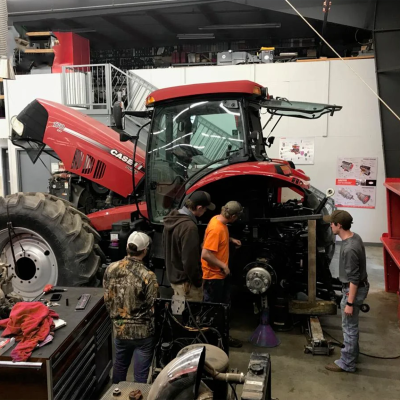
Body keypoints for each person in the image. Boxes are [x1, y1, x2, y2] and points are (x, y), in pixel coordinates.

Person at [103, 231, 158, 383]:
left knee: (120, 368)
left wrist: (119, 321)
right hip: (143, 334)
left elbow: (108, 300)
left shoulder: (111, 269)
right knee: (140, 376)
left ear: (127, 247)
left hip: (120, 329)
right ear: (145, 251)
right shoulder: (148, 276)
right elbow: (152, 306)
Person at [323, 210, 369, 373]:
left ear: (339, 225)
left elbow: (354, 279)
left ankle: (347, 363)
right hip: (358, 286)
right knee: (351, 325)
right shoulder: (354, 237)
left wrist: (349, 302)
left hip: (353, 289)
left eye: (332, 223)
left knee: (349, 327)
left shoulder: (349, 248)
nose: (330, 225)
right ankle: (352, 354)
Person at [201, 201, 243, 347]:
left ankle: (222, 337)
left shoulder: (217, 220)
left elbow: (215, 242)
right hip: (214, 277)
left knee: (223, 308)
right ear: (232, 216)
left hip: (219, 275)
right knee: (213, 311)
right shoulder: (216, 228)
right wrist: (223, 265)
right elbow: (205, 253)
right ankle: (210, 341)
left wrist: (230, 240)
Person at [163, 191, 215, 301]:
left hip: (175, 280)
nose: (205, 211)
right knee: (192, 315)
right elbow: (189, 261)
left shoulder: (171, 219)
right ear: (199, 207)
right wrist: (198, 281)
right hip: (187, 285)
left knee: (179, 315)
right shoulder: (190, 227)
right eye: (205, 209)